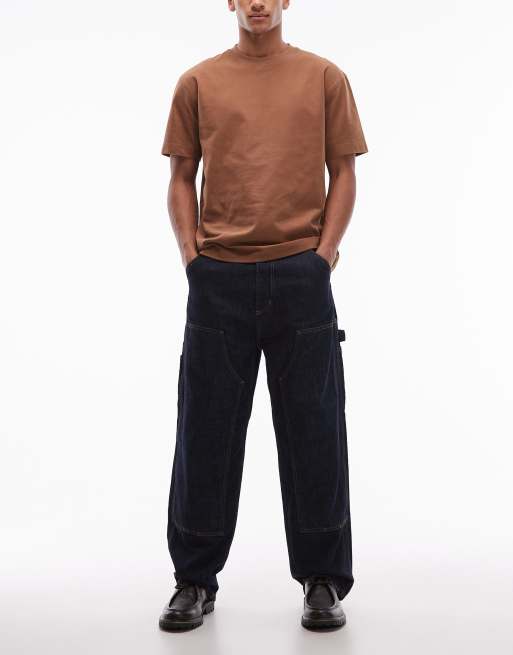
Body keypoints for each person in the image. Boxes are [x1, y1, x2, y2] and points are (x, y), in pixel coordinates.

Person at [158, 0, 368, 632]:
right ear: (229, 1)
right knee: (205, 432)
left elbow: (344, 172)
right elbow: (181, 177)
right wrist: (193, 259)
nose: (256, 3)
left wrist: (322, 259)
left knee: (315, 431)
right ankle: (194, 580)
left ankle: (322, 578)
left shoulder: (324, 77)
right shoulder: (198, 82)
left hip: (301, 277)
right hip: (218, 279)